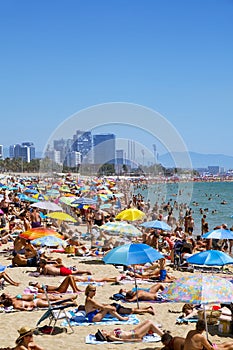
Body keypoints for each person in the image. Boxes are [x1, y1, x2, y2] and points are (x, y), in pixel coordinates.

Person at [96, 319, 163, 342]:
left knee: (148, 321)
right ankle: (164, 336)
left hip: (133, 331)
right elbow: (123, 340)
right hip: (135, 335)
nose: (102, 330)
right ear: (103, 336)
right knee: (150, 323)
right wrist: (135, 340)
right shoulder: (110, 337)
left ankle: (157, 329)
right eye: (102, 332)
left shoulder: (110, 333)